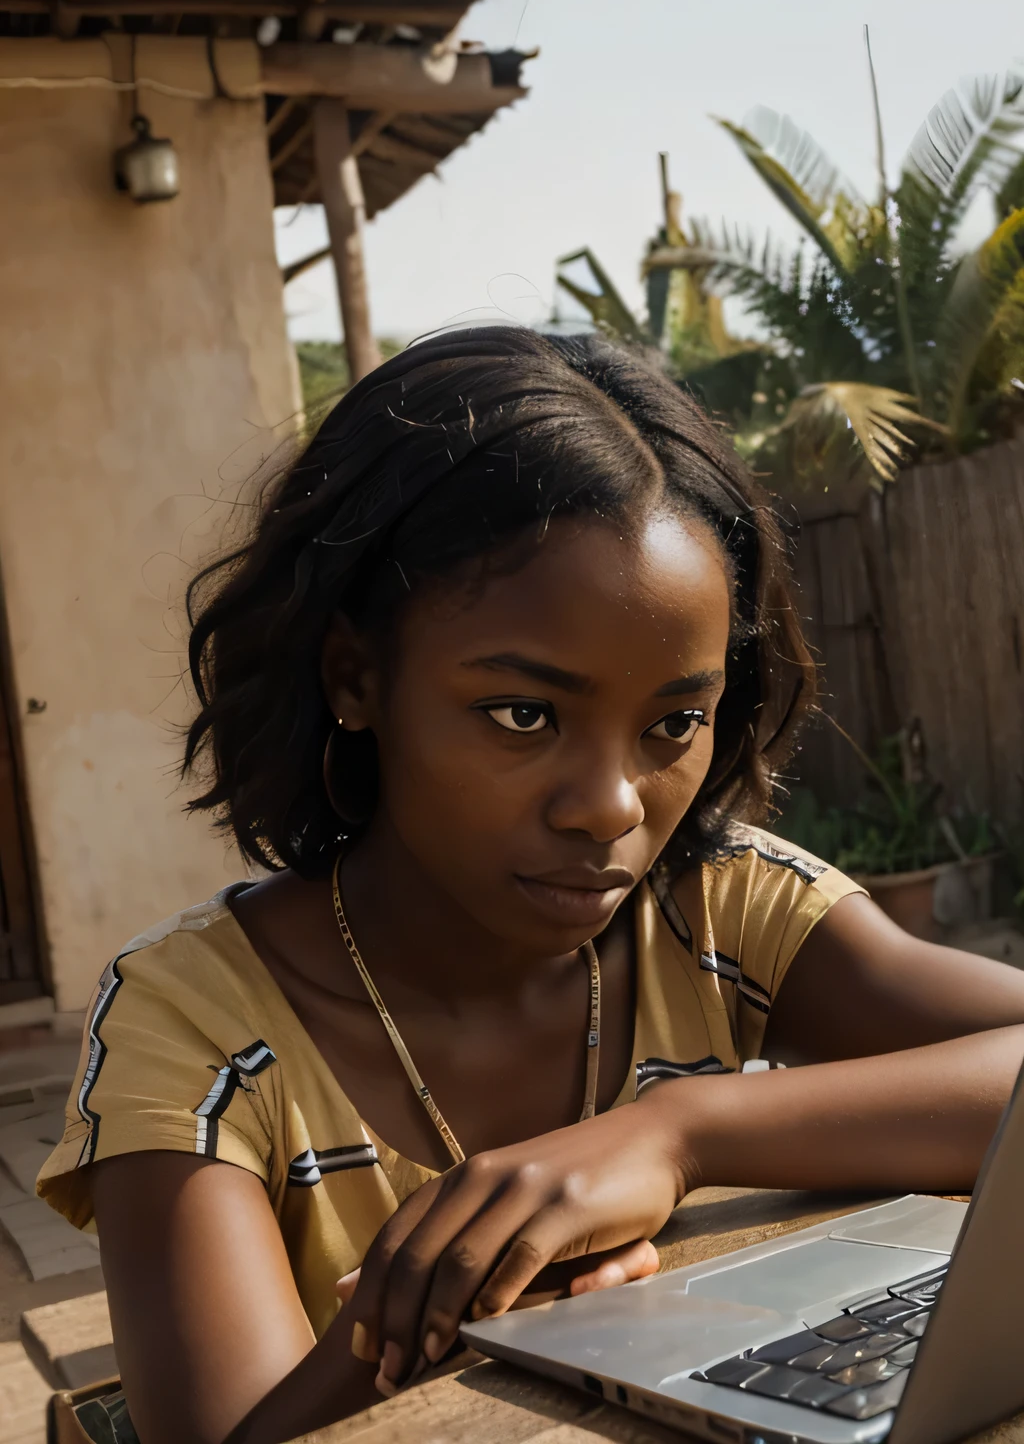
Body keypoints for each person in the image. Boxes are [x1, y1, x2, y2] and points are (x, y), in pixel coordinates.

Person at [38, 328, 1024, 1444]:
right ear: (356, 676)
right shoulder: (195, 1028)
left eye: (672, 723)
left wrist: (680, 1133)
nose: (610, 804)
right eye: (523, 715)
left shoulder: (718, 912)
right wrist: (486, 1301)